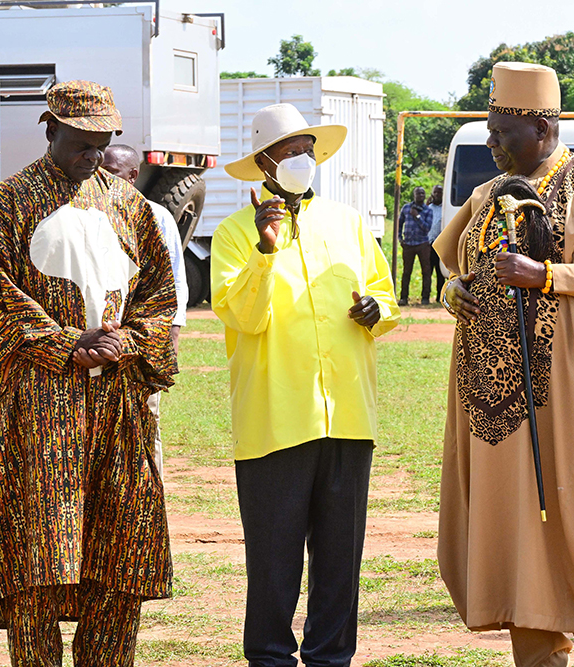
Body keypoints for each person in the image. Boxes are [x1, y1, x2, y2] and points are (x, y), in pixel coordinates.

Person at [0, 81, 178, 665]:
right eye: (80, 142)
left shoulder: (129, 205)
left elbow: (160, 295)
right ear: (50, 128)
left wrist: (128, 340)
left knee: (118, 540)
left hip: (117, 403)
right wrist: (66, 343)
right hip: (41, 403)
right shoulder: (9, 201)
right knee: (36, 550)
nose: (92, 156)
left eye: (102, 144)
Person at [435, 61, 574, 667]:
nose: (489, 143)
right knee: (516, 544)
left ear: (540, 126)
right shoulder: (487, 195)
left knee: (573, 532)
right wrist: (454, 288)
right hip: (491, 410)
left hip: (564, 401)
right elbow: (454, 262)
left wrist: (550, 277)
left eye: (499, 130)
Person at [211, 102, 400, 667]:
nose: (303, 159)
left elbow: (385, 297)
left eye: (308, 150)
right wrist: (266, 251)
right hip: (275, 419)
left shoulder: (348, 223)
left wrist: (377, 310)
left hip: (346, 416)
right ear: (264, 162)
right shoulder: (234, 233)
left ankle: (330, 658)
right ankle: (269, 657)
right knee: (274, 558)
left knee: (340, 558)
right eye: (290, 151)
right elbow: (243, 316)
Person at [101, 143, 188, 477]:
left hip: (140, 340)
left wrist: (171, 338)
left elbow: (175, 282)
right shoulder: (82, 213)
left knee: (144, 418)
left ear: (133, 176)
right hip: (97, 341)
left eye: (110, 173)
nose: (100, 178)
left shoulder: (155, 216)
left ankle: (151, 500)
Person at [398, 185, 432, 305]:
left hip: (422, 244)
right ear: (414, 195)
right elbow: (400, 223)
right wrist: (400, 238)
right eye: (418, 193)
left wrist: (417, 216)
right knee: (407, 272)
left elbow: (427, 228)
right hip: (408, 244)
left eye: (423, 193)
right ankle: (403, 298)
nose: (421, 196)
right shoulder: (406, 208)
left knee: (426, 272)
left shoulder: (428, 210)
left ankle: (425, 298)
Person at [427, 183, 447, 300]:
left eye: (440, 192)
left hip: (440, 244)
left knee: (440, 272)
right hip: (429, 244)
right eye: (435, 192)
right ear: (432, 194)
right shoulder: (428, 209)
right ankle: (426, 296)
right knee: (428, 271)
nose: (437, 194)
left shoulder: (445, 208)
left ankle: (439, 296)